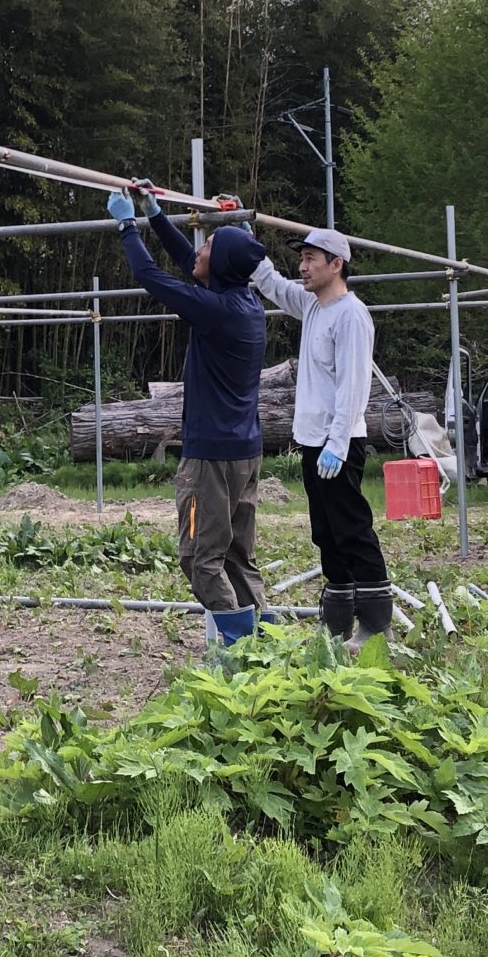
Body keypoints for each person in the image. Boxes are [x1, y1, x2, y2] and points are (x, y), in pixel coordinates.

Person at [104, 182, 268, 632]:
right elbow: (186, 265)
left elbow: (151, 277)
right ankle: (267, 644)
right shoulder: (243, 303)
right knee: (237, 556)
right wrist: (156, 215)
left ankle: (238, 652)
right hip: (243, 452)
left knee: (200, 558)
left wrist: (126, 224)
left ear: (218, 264)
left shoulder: (218, 311)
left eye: (208, 245)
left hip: (212, 458)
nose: (199, 248)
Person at [250, 228, 393, 638]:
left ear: (337, 265)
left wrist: (337, 441)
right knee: (325, 532)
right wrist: (250, 241)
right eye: (302, 258)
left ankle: (376, 622)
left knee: (351, 528)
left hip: (340, 443)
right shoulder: (313, 306)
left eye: (312, 259)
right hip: (315, 442)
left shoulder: (351, 315)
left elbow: (353, 385)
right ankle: (337, 621)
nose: (303, 266)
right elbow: (275, 286)